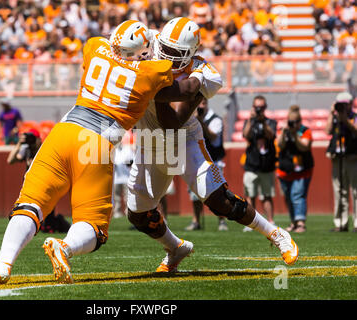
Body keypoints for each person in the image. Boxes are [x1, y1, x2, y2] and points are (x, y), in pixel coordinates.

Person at [0, 19, 203, 287]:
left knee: (30, 203)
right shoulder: (150, 72)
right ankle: (66, 247)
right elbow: (186, 89)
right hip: (95, 143)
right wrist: (201, 71)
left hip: (62, 132)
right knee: (94, 226)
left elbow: (108, 44)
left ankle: (3, 263)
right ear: (142, 51)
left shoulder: (94, 47)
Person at [128, 17, 298, 274]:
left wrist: (150, 84)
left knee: (220, 200)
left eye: (175, 53)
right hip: (148, 142)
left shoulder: (205, 74)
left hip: (183, 139)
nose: (166, 54)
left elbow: (174, 117)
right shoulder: (147, 40)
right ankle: (176, 248)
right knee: (138, 214)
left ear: (190, 54)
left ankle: (274, 232)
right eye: (165, 47)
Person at [6, 128, 71, 233]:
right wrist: (19, 143)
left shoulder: (43, 149)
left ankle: (59, 222)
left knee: (48, 222)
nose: (30, 141)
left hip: (45, 182)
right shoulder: (26, 149)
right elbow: (10, 160)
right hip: (31, 183)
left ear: (38, 139)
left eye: (32, 138)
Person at [186, 98, 228, 232]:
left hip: (213, 161)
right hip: (196, 161)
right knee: (195, 194)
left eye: (203, 103)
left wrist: (201, 122)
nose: (200, 106)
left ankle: (222, 221)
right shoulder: (191, 119)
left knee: (218, 192)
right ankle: (196, 220)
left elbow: (213, 137)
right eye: (198, 103)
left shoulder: (215, 119)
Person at [276, 105, 314, 233]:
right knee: (288, 197)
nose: (294, 124)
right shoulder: (284, 130)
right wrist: (284, 131)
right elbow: (279, 145)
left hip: (302, 170)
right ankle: (293, 221)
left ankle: (301, 223)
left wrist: (295, 134)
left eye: (296, 121)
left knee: (297, 195)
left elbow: (304, 146)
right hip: (285, 170)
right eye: (291, 121)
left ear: (300, 121)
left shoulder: (305, 131)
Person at [242, 95, 277, 231]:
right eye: (257, 107)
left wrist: (263, 121)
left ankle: (270, 221)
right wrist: (251, 119)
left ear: (265, 108)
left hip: (267, 166)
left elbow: (271, 135)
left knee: (267, 195)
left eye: (261, 107)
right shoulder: (250, 121)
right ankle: (251, 222)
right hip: (251, 164)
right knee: (250, 195)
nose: (259, 109)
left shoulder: (270, 122)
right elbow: (246, 135)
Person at [325, 92, 357, 232]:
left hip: (352, 157)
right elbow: (328, 131)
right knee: (339, 191)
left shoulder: (354, 117)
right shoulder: (335, 117)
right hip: (337, 158)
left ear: (350, 104)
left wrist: (345, 120)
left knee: (355, 191)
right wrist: (332, 114)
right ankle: (341, 222)